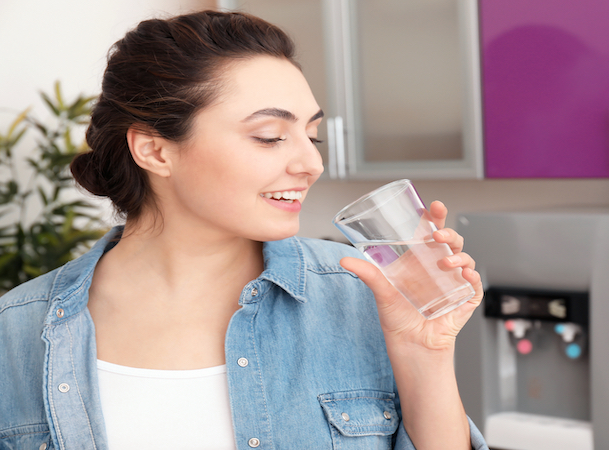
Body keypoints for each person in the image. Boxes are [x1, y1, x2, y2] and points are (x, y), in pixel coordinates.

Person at [0, 10, 488, 450]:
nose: (312, 163)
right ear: (154, 151)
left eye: (311, 134)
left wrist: (424, 351)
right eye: (270, 137)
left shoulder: (364, 295)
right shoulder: (18, 329)